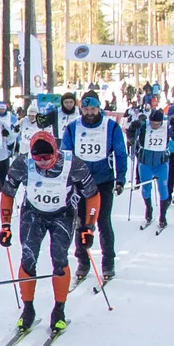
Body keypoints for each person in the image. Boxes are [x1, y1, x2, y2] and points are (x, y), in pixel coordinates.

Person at [0, 132, 100, 334]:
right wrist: (5, 225)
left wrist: (89, 226)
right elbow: (8, 193)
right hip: (32, 213)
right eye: (38, 159)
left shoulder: (73, 165)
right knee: (28, 258)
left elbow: (93, 195)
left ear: (56, 151)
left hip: (62, 214)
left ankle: (59, 310)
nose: (43, 163)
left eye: (48, 158)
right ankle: (28, 309)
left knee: (59, 258)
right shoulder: (22, 163)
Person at [60, 91, 127, 281]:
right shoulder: (73, 128)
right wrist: (64, 177)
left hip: (103, 181)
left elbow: (121, 153)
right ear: (81, 109)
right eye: (87, 109)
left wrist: (121, 178)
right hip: (80, 182)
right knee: (80, 222)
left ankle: (108, 262)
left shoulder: (111, 127)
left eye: (93, 109)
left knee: (103, 221)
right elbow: (65, 153)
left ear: (99, 108)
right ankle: (83, 261)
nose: (90, 113)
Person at [134, 109, 173, 230]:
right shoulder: (144, 126)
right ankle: (148, 209)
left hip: (161, 164)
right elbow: (130, 134)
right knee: (146, 189)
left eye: (157, 124)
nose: (155, 126)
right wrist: (134, 127)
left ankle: (162, 216)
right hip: (145, 163)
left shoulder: (167, 127)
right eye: (152, 123)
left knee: (163, 190)